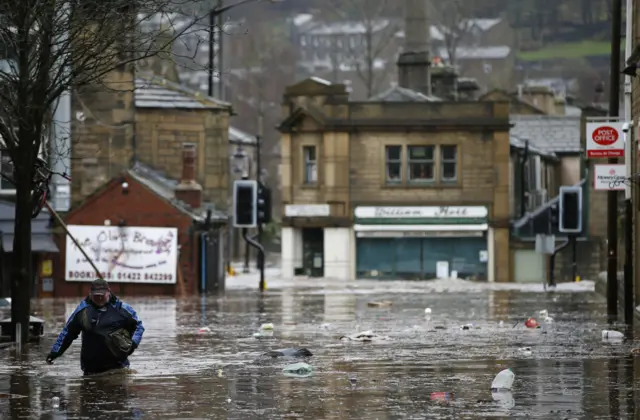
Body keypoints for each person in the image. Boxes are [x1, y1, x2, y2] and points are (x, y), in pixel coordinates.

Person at [46, 278, 144, 376]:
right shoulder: (82, 311)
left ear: (108, 292)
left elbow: (138, 327)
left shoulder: (122, 309)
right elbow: (68, 333)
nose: (99, 298)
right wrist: (55, 352)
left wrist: (133, 344)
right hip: (91, 369)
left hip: (118, 367)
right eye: (96, 296)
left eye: (102, 296)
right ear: (90, 293)